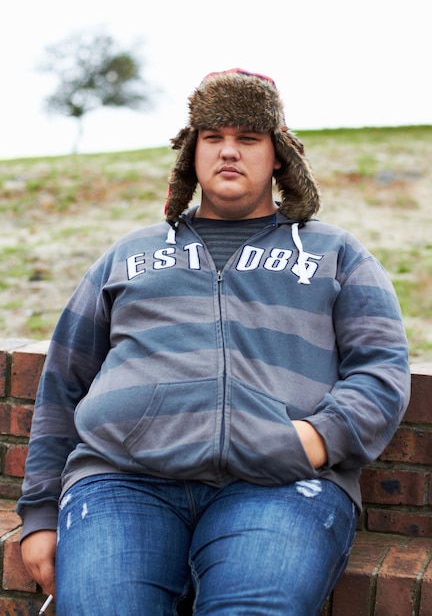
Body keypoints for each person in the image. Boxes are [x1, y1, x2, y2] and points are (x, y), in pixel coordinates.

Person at [17, 68, 411, 616]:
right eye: (213, 138)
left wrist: (311, 440)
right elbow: (63, 381)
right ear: (192, 155)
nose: (230, 152)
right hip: (122, 481)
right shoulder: (129, 253)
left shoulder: (335, 254)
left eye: (248, 138)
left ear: (278, 156)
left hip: (281, 486)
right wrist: (38, 515)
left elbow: (381, 370)